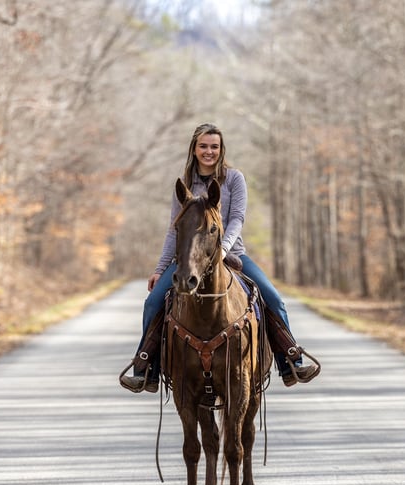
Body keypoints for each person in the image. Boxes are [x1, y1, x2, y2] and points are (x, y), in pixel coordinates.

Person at [120, 123, 319, 393]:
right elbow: (173, 230)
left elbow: (237, 218)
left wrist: (223, 249)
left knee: (272, 297)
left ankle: (290, 361)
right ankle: (146, 369)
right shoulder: (185, 185)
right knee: (154, 302)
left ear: (221, 149)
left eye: (214, 146)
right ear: (194, 148)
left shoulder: (234, 179)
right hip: (188, 259)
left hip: (231, 254)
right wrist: (160, 268)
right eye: (203, 146)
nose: (209, 151)